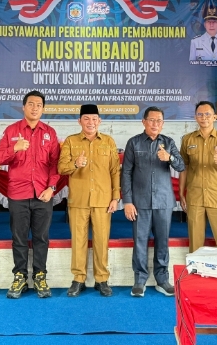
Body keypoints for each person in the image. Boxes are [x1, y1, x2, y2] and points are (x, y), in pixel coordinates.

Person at [0, 90, 60, 299]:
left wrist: (51, 188)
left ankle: (40, 276)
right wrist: (15, 148)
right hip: (18, 194)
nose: (34, 108)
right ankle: (20, 276)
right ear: (23, 107)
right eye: (31, 104)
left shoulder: (49, 133)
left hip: (43, 194)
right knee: (19, 238)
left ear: (43, 109)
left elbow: (55, 164)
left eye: (39, 105)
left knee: (41, 237)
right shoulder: (12, 130)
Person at [121, 106, 185, 298]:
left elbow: (181, 166)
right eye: (152, 120)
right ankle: (139, 280)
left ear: (163, 124)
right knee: (140, 241)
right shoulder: (133, 143)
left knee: (162, 241)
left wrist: (169, 157)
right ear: (144, 122)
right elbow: (126, 173)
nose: (155, 124)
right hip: (139, 202)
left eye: (159, 121)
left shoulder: (168, 142)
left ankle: (162, 280)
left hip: (163, 201)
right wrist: (127, 201)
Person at [58, 104, 120, 298]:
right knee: (78, 241)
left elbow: (115, 171)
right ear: (79, 121)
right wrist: (75, 164)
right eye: (86, 118)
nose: (90, 122)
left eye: (94, 119)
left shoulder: (108, 141)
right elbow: (61, 168)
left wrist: (116, 197)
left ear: (99, 121)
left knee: (101, 240)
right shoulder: (71, 141)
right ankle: (78, 279)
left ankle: (102, 280)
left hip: (103, 200)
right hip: (79, 200)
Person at [179, 101, 217, 252]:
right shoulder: (188, 139)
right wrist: (181, 193)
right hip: (195, 197)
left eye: (207, 114)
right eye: (200, 114)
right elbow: (183, 168)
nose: (204, 117)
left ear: (214, 117)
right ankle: (195, 268)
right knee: (195, 244)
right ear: (195, 117)